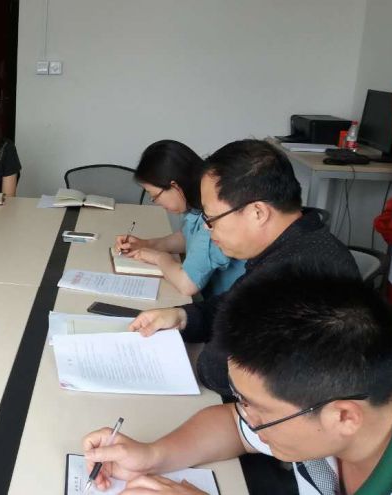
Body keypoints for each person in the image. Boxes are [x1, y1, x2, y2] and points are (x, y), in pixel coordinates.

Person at [82, 270, 392, 495]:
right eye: (241, 399)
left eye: (257, 410)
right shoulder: (333, 392)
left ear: (344, 417)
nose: (246, 417)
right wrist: (151, 456)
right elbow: (234, 427)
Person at [128, 139, 359, 394]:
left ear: (258, 212)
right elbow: (235, 301)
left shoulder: (297, 277)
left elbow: (217, 370)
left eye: (211, 217)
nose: (206, 227)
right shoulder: (295, 243)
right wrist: (183, 317)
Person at [115, 140, 245, 297]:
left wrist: (159, 257)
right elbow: (188, 237)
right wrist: (147, 244)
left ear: (175, 186)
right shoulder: (196, 205)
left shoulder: (213, 217)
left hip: (227, 305)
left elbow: (187, 284)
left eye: (155, 196)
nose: (156, 202)